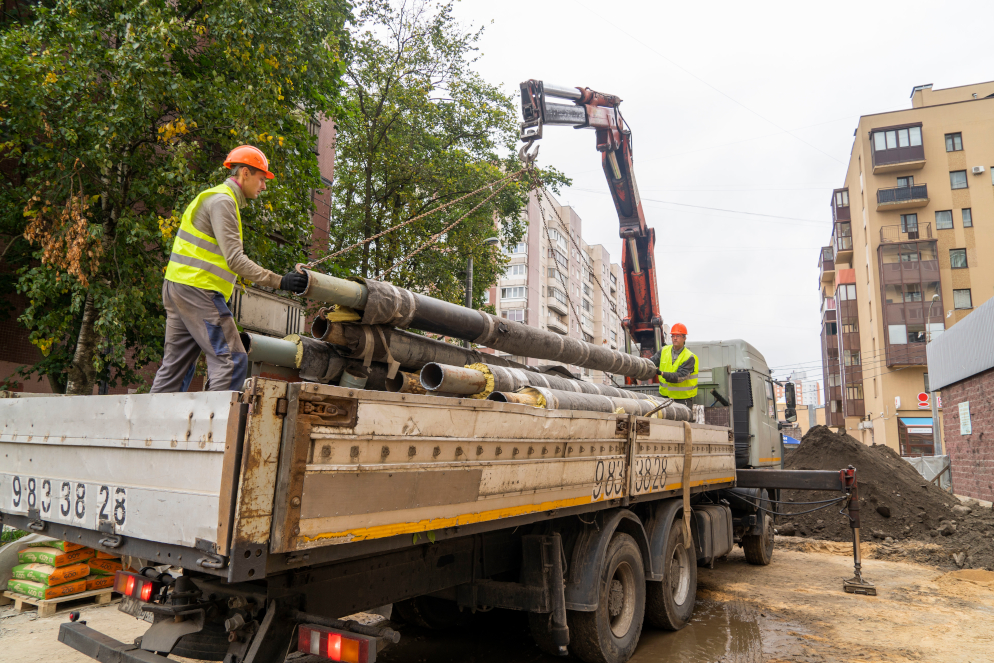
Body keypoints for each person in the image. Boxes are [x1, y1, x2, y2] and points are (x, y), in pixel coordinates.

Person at [150, 145, 308, 393]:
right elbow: (235, 260)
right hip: (199, 289)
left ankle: (152, 428)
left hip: (179, 287)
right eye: (261, 178)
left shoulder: (216, 198)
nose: (264, 186)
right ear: (245, 173)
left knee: (174, 370)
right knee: (232, 360)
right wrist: (281, 281)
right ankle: (218, 429)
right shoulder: (224, 202)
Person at [652, 322, 698, 409]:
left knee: (680, 423)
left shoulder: (690, 357)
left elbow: (679, 377)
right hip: (664, 397)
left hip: (683, 400)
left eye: (678, 336)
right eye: (673, 336)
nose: (675, 338)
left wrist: (661, 373)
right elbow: (651, 362)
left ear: (684, 338)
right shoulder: (664, 351)